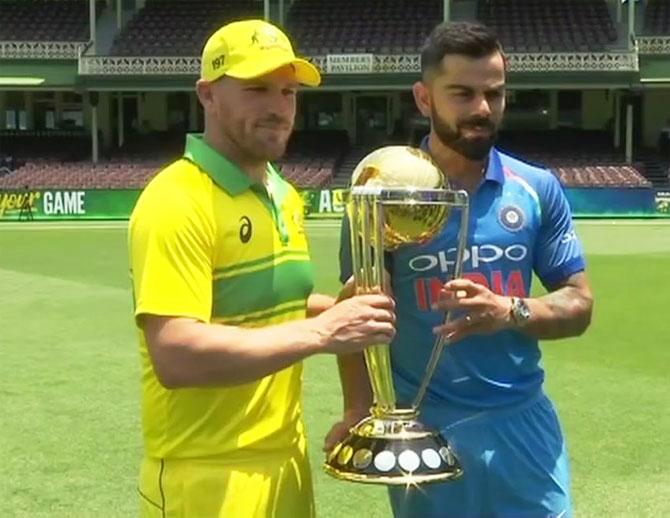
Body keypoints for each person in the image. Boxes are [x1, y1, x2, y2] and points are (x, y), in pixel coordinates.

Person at [128, 19, 396, 518]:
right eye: (257, 89)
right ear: (207, 94)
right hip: (205, 477)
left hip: (285, 463)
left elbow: (272, 308)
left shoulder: (282, 194)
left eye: (288, 92)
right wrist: (323, 332)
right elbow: (176, 354)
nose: (278, 107)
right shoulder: (175, 200)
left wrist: (344, 307)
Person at [331, 21, 594, 518]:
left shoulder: (536, 188)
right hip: (426, 429)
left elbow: (580, 304)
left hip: (523, 424)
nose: (481, 109)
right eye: (462, 94)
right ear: (424, 98)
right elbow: (358, 312)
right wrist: (356, 410)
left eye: (494, 94)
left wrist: (511, 309)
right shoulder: (381, 194)